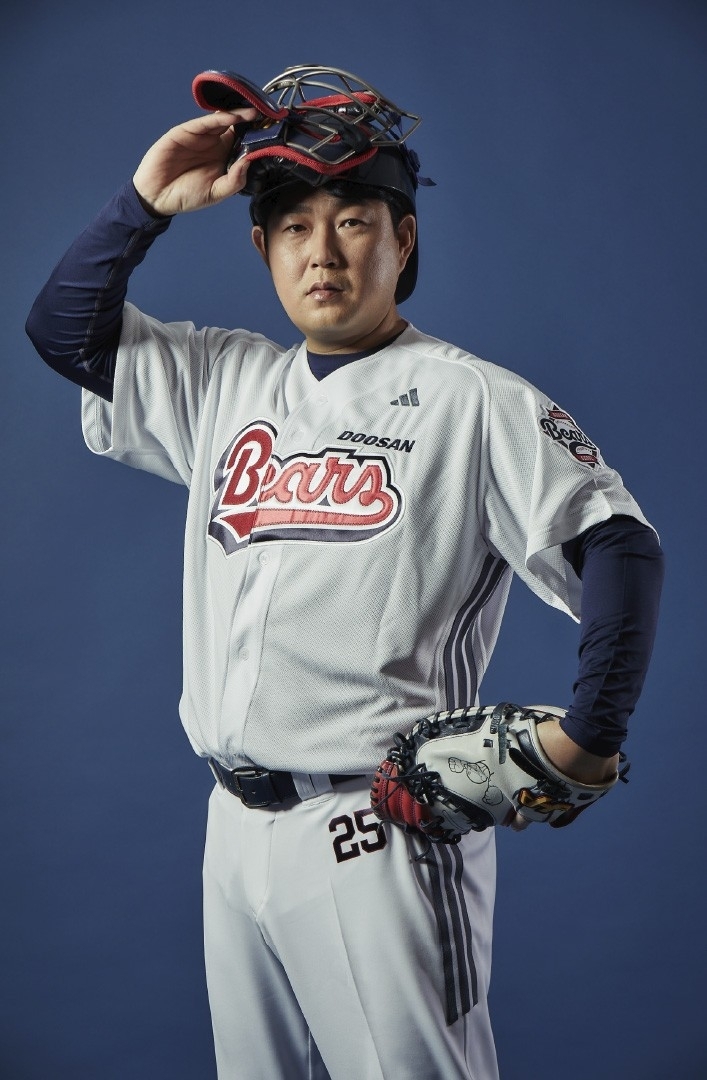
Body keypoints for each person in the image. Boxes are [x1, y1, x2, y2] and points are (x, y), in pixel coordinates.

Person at [25, 65, 664, 1080]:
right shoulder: (225, 380)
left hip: (381, 830)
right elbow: (65, 332)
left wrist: (588, 740)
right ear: (261, 248)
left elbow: (619, 546)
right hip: (230, 835)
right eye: (291, 226)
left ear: (401, 239)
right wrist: (145, 202)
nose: (321, 250)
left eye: (354, 220)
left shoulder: (470, 399)